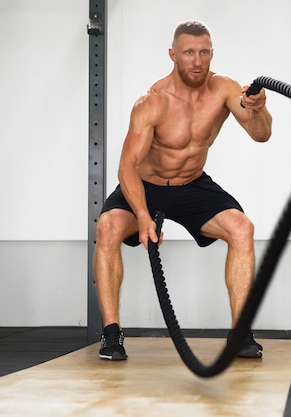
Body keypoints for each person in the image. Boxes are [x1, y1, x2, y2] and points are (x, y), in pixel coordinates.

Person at [93, 20, 272, 361]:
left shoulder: (224, 89)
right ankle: (111, 334)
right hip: (145, 185)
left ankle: (241, 333)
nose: (197, 61)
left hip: (191, 183)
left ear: (211, 54)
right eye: (189, 52)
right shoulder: (154, 101)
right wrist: (144, 217)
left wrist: (259, 109)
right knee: (108, 228)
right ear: (173, 55)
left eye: (204, 52)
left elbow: (260, 134)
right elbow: (127, 166)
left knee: (242, 228)